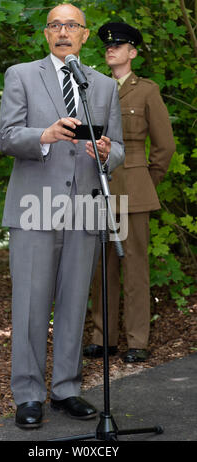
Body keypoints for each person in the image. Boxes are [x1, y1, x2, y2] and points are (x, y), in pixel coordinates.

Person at [0, 5, 124, 429]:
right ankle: (29, 395)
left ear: (85, 36)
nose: (63, 31)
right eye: (56, 25)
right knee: (31, 306)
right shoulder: (22, 74)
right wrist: (45, 136)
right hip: (34, 208)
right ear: (46, 33)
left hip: (85, 207)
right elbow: (8, 136)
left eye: (71, 25)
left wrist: (108, 153)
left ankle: (66, 388)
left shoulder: (103, 85)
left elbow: (120, 147)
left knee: (73, 304)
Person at [84, 22, 175, 363]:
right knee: (101, 269)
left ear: (132, 52)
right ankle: (102, 337)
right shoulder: (93, 89)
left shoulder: (147, 91)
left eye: (119, 46)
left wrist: (146, 181)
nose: (111, 49)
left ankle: (137, 340)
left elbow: (164, 147)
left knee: (135, 267)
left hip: (134, 189)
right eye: (108, 45)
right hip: (99, 187)